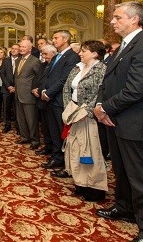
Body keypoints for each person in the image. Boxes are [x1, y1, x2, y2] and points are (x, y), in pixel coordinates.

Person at [94, 1, 143, 242]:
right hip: (117, 120)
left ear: (134, 19)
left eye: (117, 17)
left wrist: (105, 107)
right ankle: (124, 208)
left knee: (142, 179)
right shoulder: (125, 46)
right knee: (122, 171)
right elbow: (111, 82)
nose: (112, 21)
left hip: (137, 122)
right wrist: (101, 107)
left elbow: (137, 89)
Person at [58, 40, 108, 202]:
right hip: (73, 112)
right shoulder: (77, 67)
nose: (80, 53)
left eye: (84, 51)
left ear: (94, 53)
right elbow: (67, 88)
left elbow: (101, 92)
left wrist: (87, 111)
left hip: (89, 115)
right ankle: (80, 183)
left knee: (90, 150)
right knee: (75, 149)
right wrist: (69, 108)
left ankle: (94, 187)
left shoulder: (101, 69)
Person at [40, 30, 80, 169]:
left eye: (56, 38)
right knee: (54, 131)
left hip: (60, 100)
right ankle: (56, 157)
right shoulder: (58, 55)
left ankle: (65, 161)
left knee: (62, 132)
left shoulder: (72, 57)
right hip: (51, 99)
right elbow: (48, 75)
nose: (53, 40)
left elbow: (64, 79)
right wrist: (44, 90)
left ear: (65, 39)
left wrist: (49, 93)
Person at [14, 39, 41, 149]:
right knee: (21, 118)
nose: (21, 48)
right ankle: (24, 137)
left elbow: (39, 77)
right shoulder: (18, 60)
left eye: (24, 47)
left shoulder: (35, 61)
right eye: (20, 46)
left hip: (29, 95)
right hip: (18, 94)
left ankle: (35, 140)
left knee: (31, 119)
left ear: (30, 48)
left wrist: (36, 89)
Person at [32, 44, 57, 155]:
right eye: (42, 54)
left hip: (51, 98)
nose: (43, 56)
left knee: (53, 128)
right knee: (45, 126)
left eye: (46, 54)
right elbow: (36, 78)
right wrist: (34, 89)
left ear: (54, 53)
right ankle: (47, 146)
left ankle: (54, 149)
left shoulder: (55, 66)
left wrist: (44, 91)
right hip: (40, 98)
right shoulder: (42, 65)